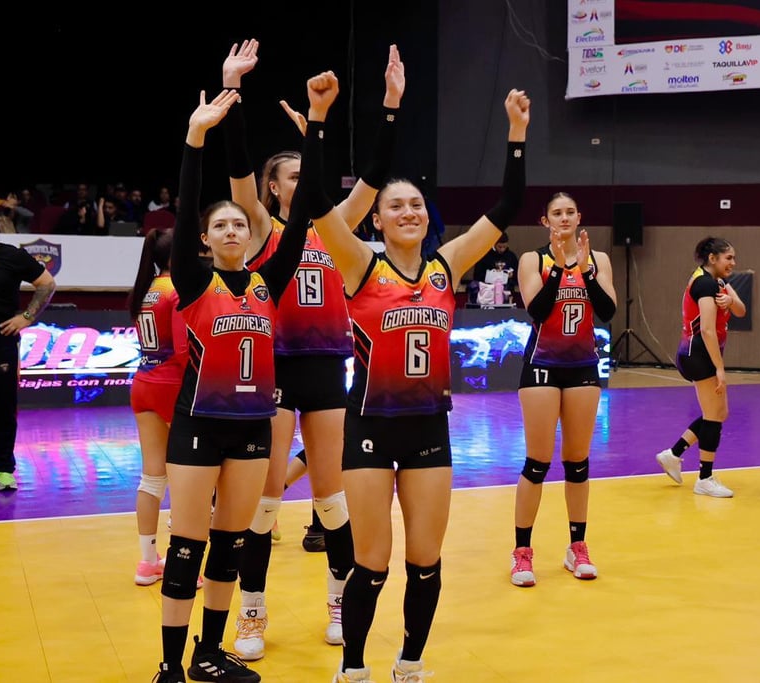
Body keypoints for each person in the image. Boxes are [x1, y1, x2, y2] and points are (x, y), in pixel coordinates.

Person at [309, 78, 529, 682]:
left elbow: (507, 208)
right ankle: (352, 668)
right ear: (376, 218)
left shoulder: (448, 263)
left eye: (416, 205)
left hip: (430, 428)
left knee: (426, 561)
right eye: (396, 206)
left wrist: (515, 133)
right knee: (372, 562)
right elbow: (317, 202)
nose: (409, 212)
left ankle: (410, 663)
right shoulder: (358, 262)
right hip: (371, 428)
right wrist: (321, 118)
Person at [219, 40, 403, 660]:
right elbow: (238, 166)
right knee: (263, 502)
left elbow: (375, 177)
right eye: (293, 175)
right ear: (272, 189)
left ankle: (336, 598)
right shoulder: (263, 228)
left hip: (328, 369)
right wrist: (233, 91)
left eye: (307, 172)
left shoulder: (337, 228)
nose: (303, 181)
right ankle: (251, 612)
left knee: (331, 498)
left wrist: (390, 106)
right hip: (272, 370)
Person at [152, 75, 326, 683]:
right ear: (204, 239)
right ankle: (171, 663)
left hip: (253, 428)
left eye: (239, 226)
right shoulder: (193, 281)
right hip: (198, 428)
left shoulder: (266, 283)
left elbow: (303, 217)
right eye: (220, 226)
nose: (232, 230)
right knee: (188, 545)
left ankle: (208, 653)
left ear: (252, 238)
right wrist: (195, 140)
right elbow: (188, 198)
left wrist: (319, 136)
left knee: (232, 544)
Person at [509, 192, 616, 588]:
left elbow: (607, 311)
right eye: (557, 213)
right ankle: (522, 551)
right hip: (541, 366)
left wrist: (586, 270)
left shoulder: (598, 259)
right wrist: (558, 266)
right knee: (537, 462)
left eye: (570, 211)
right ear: (545, 221)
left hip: (583, 367)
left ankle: (577, 546)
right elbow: (537, 310)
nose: (565, 217)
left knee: (578, 461)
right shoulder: (532, 260)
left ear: (579, 217)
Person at [0, 201, 56, 492]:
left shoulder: (10, 256)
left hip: (0, 350)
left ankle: (5, 469)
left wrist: (27, 317)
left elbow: (47, 284)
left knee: (2, 410)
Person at [655, 237, 746, 497]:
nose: (733, 263)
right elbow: (706, 329)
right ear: (712, 258)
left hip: (700, 354)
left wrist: (730, 301)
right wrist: (719, 368)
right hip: (698, 354)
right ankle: (704, 478)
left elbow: (741, 310)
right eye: (728, 257)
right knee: (715, 415)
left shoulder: (719, 282)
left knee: (718, 412)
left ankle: (673, 454)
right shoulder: (704, 283)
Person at [128, 229, 188, 586]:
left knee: (152, 477)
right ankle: (183, 565)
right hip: (171, 386)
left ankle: (148, 562)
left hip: (143, 383)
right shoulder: (178, 290)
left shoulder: (145, 289)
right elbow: (183, 352)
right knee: (186, 478)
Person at [470, 232, 518, 305]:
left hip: (506, 291)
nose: (502, 249)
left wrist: (511, 276)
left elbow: (518, 274)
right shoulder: (484, 256)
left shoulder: (511, 256)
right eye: (499, 247)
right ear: (494, 244)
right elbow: (477, 275)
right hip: (487, 293)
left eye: (504, 247)